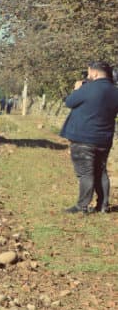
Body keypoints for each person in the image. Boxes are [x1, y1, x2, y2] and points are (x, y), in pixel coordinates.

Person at [60, 61, 118, 214]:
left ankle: (82, 206)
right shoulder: (115, 91)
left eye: (89, 72)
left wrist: (77, 89)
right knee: (101, 171)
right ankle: (103, 205)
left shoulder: (87, 88)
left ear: (95, 73)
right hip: (104, 138)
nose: (88, 75)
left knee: (85, 172)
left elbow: (69, 102)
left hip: (83, 137)